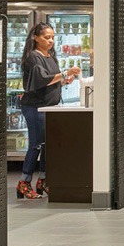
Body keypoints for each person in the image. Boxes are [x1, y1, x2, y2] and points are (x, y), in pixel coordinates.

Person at [16, 20, 78, 200]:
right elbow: (41, 79)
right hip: (35, 107)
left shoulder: (50, 56)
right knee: (36, 144)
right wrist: (65, 74)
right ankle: (24, 182)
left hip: (49, 107)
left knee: (47, 145)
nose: (50, 41)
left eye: (52, 37)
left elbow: (51, 80)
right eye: (46, 37)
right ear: (36, 38)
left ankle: (43, 180)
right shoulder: (33, 57)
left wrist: (64, 80)